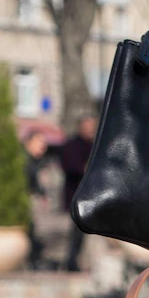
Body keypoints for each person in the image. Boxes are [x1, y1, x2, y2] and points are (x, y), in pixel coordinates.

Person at [60, 115, 96, 272]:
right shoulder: (71, 145)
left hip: (91, 196)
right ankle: (71, 261)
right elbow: (71, 167)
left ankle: (76, 261)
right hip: (75, 194)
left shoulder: (94, 145)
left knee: (82, 234)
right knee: (74, 233)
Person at [24, 131, 48, 269]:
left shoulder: (35, 161)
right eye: (39, 142)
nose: (43, 146)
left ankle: (34, 258)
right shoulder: (25, 161)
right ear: (29, 142)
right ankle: (32, 259)